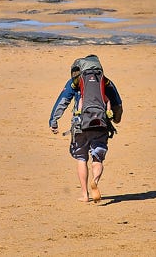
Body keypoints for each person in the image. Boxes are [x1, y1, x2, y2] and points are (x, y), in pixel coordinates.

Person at [49, 56, 123, 203]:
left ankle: (85, 195)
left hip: (80, 126)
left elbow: (62, 101)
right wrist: (116, 118)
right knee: (97, 159)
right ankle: (95, 180)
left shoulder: (75, 82)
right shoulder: (105, 81)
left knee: (81, 158)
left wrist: (54, 120)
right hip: (100, 125)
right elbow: (118, 104)